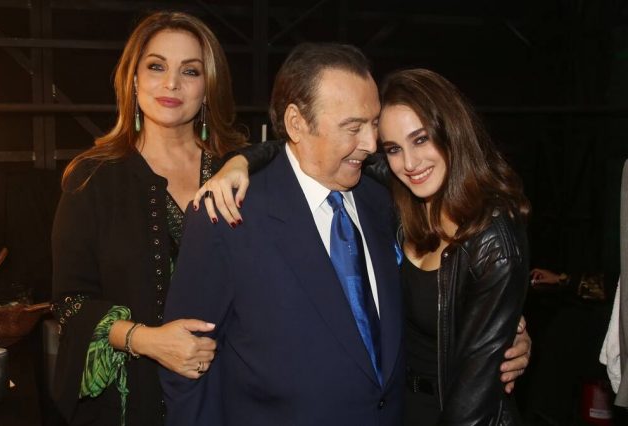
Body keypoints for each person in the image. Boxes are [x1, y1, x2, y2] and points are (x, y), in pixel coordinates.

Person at [193, 68, 531, 424]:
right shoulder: (400, 200)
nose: (410, 163)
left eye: (421, 139)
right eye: (393, 148)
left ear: (453, 132)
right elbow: (309, 146)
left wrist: (507, 325)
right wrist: (240, 161)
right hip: (401, 409)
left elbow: (472, 404)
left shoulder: (494, 240)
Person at [162, 43, 404, 425]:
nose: (371, 144)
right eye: (353, 127)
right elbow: (186, 367)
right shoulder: (227, 214)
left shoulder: (383, 201)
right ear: (296, 123)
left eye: (374, 123)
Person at [50, 11, 247, 425]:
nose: (172, 83)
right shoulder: (92, 178)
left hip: (234, 394)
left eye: (190, 71)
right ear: (134, 79)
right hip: (133, 402)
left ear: (208, 87)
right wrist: (146, 340)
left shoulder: (239, 174)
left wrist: (244, 161)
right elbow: (70, 304)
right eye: (156, 66)